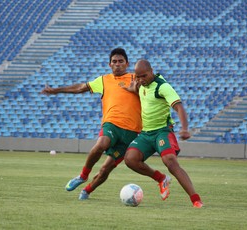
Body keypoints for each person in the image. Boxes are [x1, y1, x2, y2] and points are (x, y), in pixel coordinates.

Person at [42, 48, 171, 200]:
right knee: (101, 144)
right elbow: (80, 87)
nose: (117, 64)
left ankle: (87, 190)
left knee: (105, 169)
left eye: (121, 61)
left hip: (131, 133)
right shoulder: (103, 80)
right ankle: (83, 175)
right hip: (112, 125)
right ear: (110, 65)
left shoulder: (137, 78)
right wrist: (57, 91)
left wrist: (137, 90)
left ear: (127, 63)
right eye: (114, 62)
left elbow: (154, 93)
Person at [122, 59, 203, 208]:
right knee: (130, 159)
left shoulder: (162, 86)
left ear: (152, 71)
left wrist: (184, 128)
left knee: (170, 161)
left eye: (144, 76)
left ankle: (196, 200)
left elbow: (179, 107)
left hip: (162, 131)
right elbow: (137, 89)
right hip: (146, 134)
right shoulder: (141, 85)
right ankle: (161, 179)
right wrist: (128, 88)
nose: (140, 80)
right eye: (137, 77)